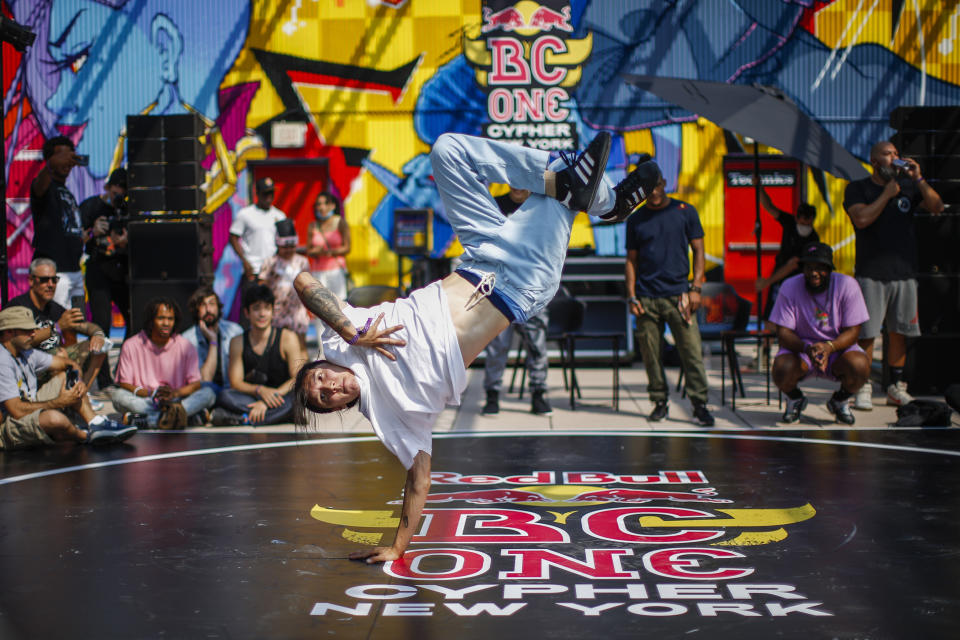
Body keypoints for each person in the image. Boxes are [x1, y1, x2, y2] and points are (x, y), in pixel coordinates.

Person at [292, 131, 659, 564]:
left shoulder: (341, 337)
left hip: (479, 255)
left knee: (448, 149)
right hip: (520, 282)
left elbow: (303, 280)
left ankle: (597, 199)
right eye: (325, 399)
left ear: (321, 363)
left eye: (320, 379)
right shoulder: (389, 416)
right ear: (337, 409)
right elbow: (419, 479)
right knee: (566, 173)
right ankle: (605, 202)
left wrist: (356, 334)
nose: (330, 387)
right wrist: (397, 546)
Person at [843, 141, 944, 409]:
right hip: (871, 274)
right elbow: (861, 219)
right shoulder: (858, 188)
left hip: (904, 274)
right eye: (889, 155)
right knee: (867, 333)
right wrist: (886, 195)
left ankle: (895, 387)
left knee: (899, 333)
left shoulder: (909, 188)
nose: (895, 158)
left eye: (897, 154)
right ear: (875, 161)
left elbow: (937, 206)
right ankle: (863, 385)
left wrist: (918, 178)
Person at [625, 176, 714, 426]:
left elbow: (699, 250)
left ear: (664, 183)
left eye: (656, 185)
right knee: (651, 354)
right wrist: (631, 295)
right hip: (646, 297)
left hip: (679, 296)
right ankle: (659, 402)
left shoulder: (684, 211)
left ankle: (699, 404)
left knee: (691, 352)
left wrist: (696, 287)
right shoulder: (636, 219)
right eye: (648, 188)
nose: (653, 192)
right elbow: (631, 261)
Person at [0, 306, 136, 449]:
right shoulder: (3, 360)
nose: (34, 334)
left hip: (28, 407)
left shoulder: (26, 352)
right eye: (27, 330)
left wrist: (79, 381)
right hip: (8, 424)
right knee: (55, 419)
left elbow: (68, 364)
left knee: (67, 377)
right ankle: (84, 436)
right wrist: (58, 402)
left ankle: (95, 423)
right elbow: (16, 411)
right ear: (9, 332)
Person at [769, 243, 871, 425]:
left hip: (837, 347)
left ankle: (839, 401)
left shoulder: (847, 285)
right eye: (809, 268)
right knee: (781, 368)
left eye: (820, 268)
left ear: (829, 269)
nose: (814, 273)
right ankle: (795, 399)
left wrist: (829, 347)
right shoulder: (790, 286)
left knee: (860, 365)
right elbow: (783, 332)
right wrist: (807, 348)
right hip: (802, 349)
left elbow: (854, 331)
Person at [479, 187, 552, 416]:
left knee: (536, 344)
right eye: (514, 180)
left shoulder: (540, 208)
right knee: (497, 344)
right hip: (500, 288)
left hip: (532, 288)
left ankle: (539, 394)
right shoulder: (495, 205)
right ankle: (492, 395)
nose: (518, 186)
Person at [110, 298, 216, 428]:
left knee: (208, 393)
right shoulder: (131, 345)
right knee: (117, 396)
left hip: (176, 401)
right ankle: (178, 417)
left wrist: (174, 394)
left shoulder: (186, 346)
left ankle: (153, 420)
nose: (166, 323)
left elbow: (195, 384)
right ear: (151, 321)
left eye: (170, 319)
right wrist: (151, 393)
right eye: (161, 318)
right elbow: (124, 383)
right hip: (145, 400)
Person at [7, 258, 109, 390]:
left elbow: (85, 326)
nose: (50, 284)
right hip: (26, 363)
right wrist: (57, 328)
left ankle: (81, 394)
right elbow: (22, 343)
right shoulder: (19, 306)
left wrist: (98, 334)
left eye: (54, 280)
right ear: (31, 280)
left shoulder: (53, 307)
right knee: (59, 356)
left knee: (101, 347)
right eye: (44, 280)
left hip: (55, 359)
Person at [214, 285, 304, 426]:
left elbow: (297, 377)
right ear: (246, 312)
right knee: (224, 396)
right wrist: (260, 391)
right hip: (253, 398)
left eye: (267, 308)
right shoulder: (237, 342)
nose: (262, 314)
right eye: (256, 308)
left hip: (281, 396)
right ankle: (273, 417)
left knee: (298, 399)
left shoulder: (288, 338)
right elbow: (235, 382)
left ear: (273, 312)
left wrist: (270, 398)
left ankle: (244, 419)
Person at [80, 167, 131, 389]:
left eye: (123, 190)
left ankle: (125, 371)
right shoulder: (92, 206)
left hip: (121, 270)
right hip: (98, 269)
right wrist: (93, 232)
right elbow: (76, 236)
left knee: (134, 317)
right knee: (102, 324)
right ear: (107, 187)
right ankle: (102, 378)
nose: (118, 195)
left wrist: (126, 241)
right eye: (116, 189)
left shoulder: (128, 209)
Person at [29, 135, 85, 309]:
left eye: (71, 157)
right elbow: (39, 186)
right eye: (62, 156)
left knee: (76, 325)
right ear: (50, 159)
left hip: (74, 271)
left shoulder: (67, 191)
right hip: (54, 273)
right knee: (53, 327)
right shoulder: (44, 186)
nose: (68, 162)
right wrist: (51, 165)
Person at [754, 182, 819, 332]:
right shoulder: (789, 222)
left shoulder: (813, 240)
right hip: (779, 279)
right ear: (797, 218)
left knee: (793, 322)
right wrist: (759, 188)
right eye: (801, 218)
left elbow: (793, 264)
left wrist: (766, 282)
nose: (803, 223)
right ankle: (765, 351)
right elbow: (769, 207)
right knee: (770, 320)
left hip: (797, 282)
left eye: (807, 220)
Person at [306, 192, 351, 345]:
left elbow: (347, 247)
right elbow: (309, 249)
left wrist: (330, 252)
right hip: (319, 271)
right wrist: (316, 252)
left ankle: (342, 343)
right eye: (318, 204)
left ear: (332, 205)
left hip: (335, 271)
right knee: (320, 308)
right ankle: (322, 348)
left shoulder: (340, 223)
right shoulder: (313, 225)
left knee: (339, 307)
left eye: (324, 203)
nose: (322, 207)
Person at [182, 286, 243, 398]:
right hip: (203, 394)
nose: (208, 309)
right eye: (203, 305)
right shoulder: (187, 340)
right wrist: (213, 341)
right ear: (196, 310)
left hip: (232, 392)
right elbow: (205, 380)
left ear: (218, 307)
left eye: (212, 304)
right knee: (206, 392)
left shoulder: (235, 331)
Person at [260, 219, 311, 351]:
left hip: (297, 311)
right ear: (278, 245)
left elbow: (309, 286)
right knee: (277, 346)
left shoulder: (302, 262)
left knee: (301, 346)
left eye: (291, 246)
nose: (288, 250)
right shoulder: (270, 262)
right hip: (277, 312)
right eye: (285, 247)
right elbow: (262, 285)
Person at [229, 177, 288, 287]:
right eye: (265, 193)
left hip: (272, 270)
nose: (269, 197)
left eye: (271, 193)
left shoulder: (280, 216)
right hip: (252, 269)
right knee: (252, 303)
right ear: (258, 194)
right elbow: (233, 238)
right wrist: (244, 261)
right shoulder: (245, 214)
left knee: (273, 304)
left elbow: (284, 243)